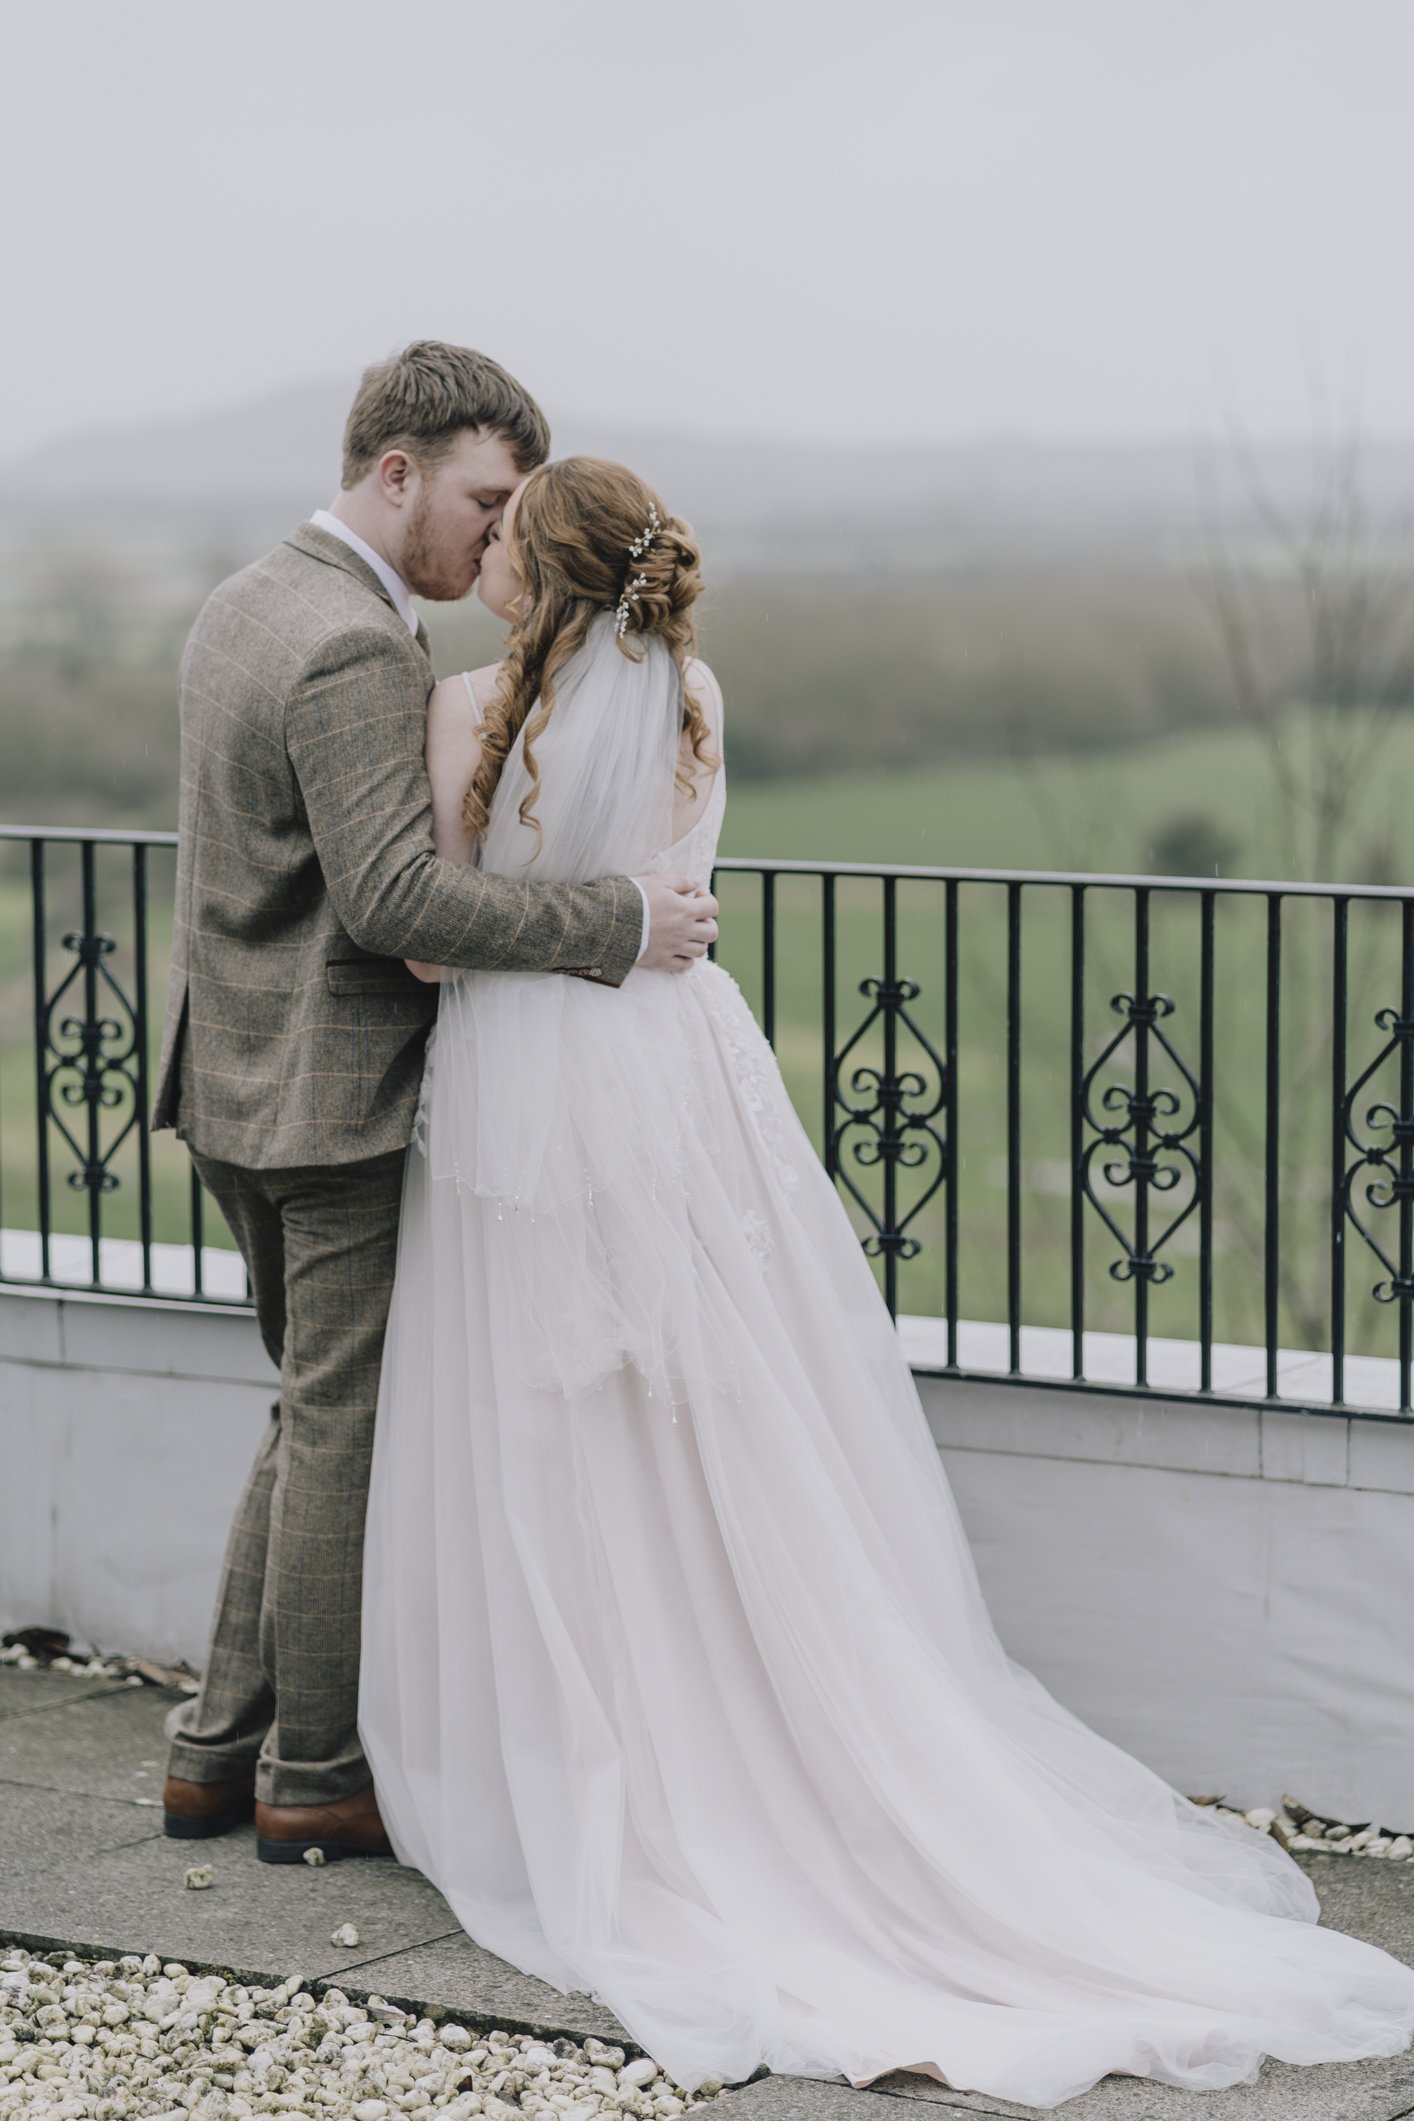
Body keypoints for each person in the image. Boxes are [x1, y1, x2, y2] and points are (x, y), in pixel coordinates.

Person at [358, 455, 1414, 2111]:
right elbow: (674, 891)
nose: (480, 555)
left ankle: (590, 1757)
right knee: (703, 1409)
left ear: (538, 573)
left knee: (548, 1413)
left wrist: (562, 917)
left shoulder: (466, 705)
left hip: (528, 1080)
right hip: (671, 1066)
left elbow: (427, 936)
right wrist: (632, 916)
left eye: (503, 538)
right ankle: (740, 1728)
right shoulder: (692, 688)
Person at [153, 345, 717, 1863]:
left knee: (302, 1416)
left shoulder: (241, 600)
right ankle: (316, 1774)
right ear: (391, 471)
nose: (494, 534)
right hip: (324, 1096)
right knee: (334, 1426)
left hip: (233, 1077)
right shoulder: (353, 643)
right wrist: (617, 922)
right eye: (479, 498)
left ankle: (213, 1751)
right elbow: (398, 894)